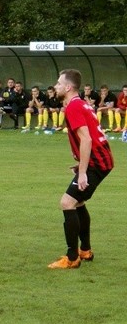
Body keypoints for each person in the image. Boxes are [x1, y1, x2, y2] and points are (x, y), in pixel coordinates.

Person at [48, 69, 113, 269]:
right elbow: (94, 135)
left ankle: (72, 258)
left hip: (96, 164)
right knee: (78, 202)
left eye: (59, 83)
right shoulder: (82, 104)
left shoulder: (74, 107)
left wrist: (83, 171)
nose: (56, 86)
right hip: (101, 161)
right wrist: (82, 164)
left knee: (67, 202)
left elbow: (87, 138)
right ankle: (85, 251)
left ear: (68, 87)